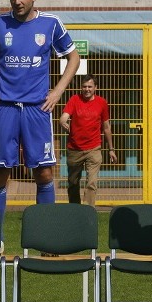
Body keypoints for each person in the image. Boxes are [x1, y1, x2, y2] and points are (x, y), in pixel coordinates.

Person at [0, 0, 80, 253]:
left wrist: (57, 92)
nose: (17, 2)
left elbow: (73, 58)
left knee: (44, 174)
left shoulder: (51, 24)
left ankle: (46, 240)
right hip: (5, 109)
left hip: (36, 110)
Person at [59, 74, 117, 206]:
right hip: (74, 149)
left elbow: (106, 127)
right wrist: (63, 121)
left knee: (91, 183)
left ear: (95, 88)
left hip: (94, 148)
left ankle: (88, 211)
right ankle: (75, 210)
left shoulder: (102, 103)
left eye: (90, 86)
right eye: (84, 86)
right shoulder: (74, 99)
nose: (87, 89)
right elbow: (64, 117)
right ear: (81, 87)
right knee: (73, 182)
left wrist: (111, 149)